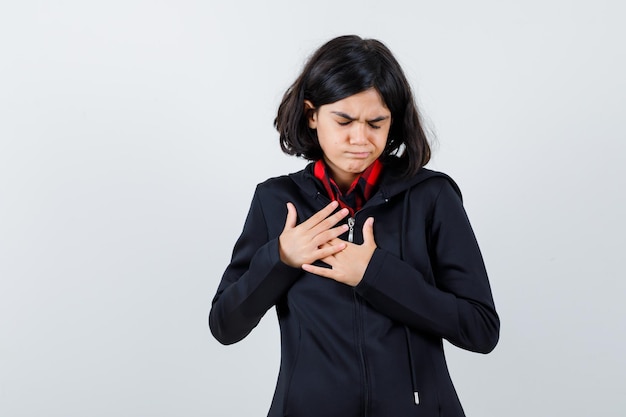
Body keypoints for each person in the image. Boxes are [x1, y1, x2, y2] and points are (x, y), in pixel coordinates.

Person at [209, 35, 499, 417]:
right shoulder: (274, 201)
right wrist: (281, 257)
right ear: (312, 114)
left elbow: (480, 329)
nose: (360, 139)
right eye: (343, 120)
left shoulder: (432, 197)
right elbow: (225, 325)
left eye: (376, 123)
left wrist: (374, 274)